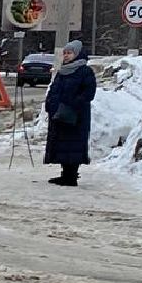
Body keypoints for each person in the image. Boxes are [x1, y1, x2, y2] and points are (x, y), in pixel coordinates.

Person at [43, 40, 96, 187]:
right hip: (59, 115)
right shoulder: (63, 70)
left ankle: (71, 176)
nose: (66, 56)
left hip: (75, 117)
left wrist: (72, 104)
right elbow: (54, 89)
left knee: (73, 145)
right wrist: (50, 104)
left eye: (69, 53)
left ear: (77, 54)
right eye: (65, 53)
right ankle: (65, 174)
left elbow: (88, 93)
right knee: (62, 145)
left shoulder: (85, 71)